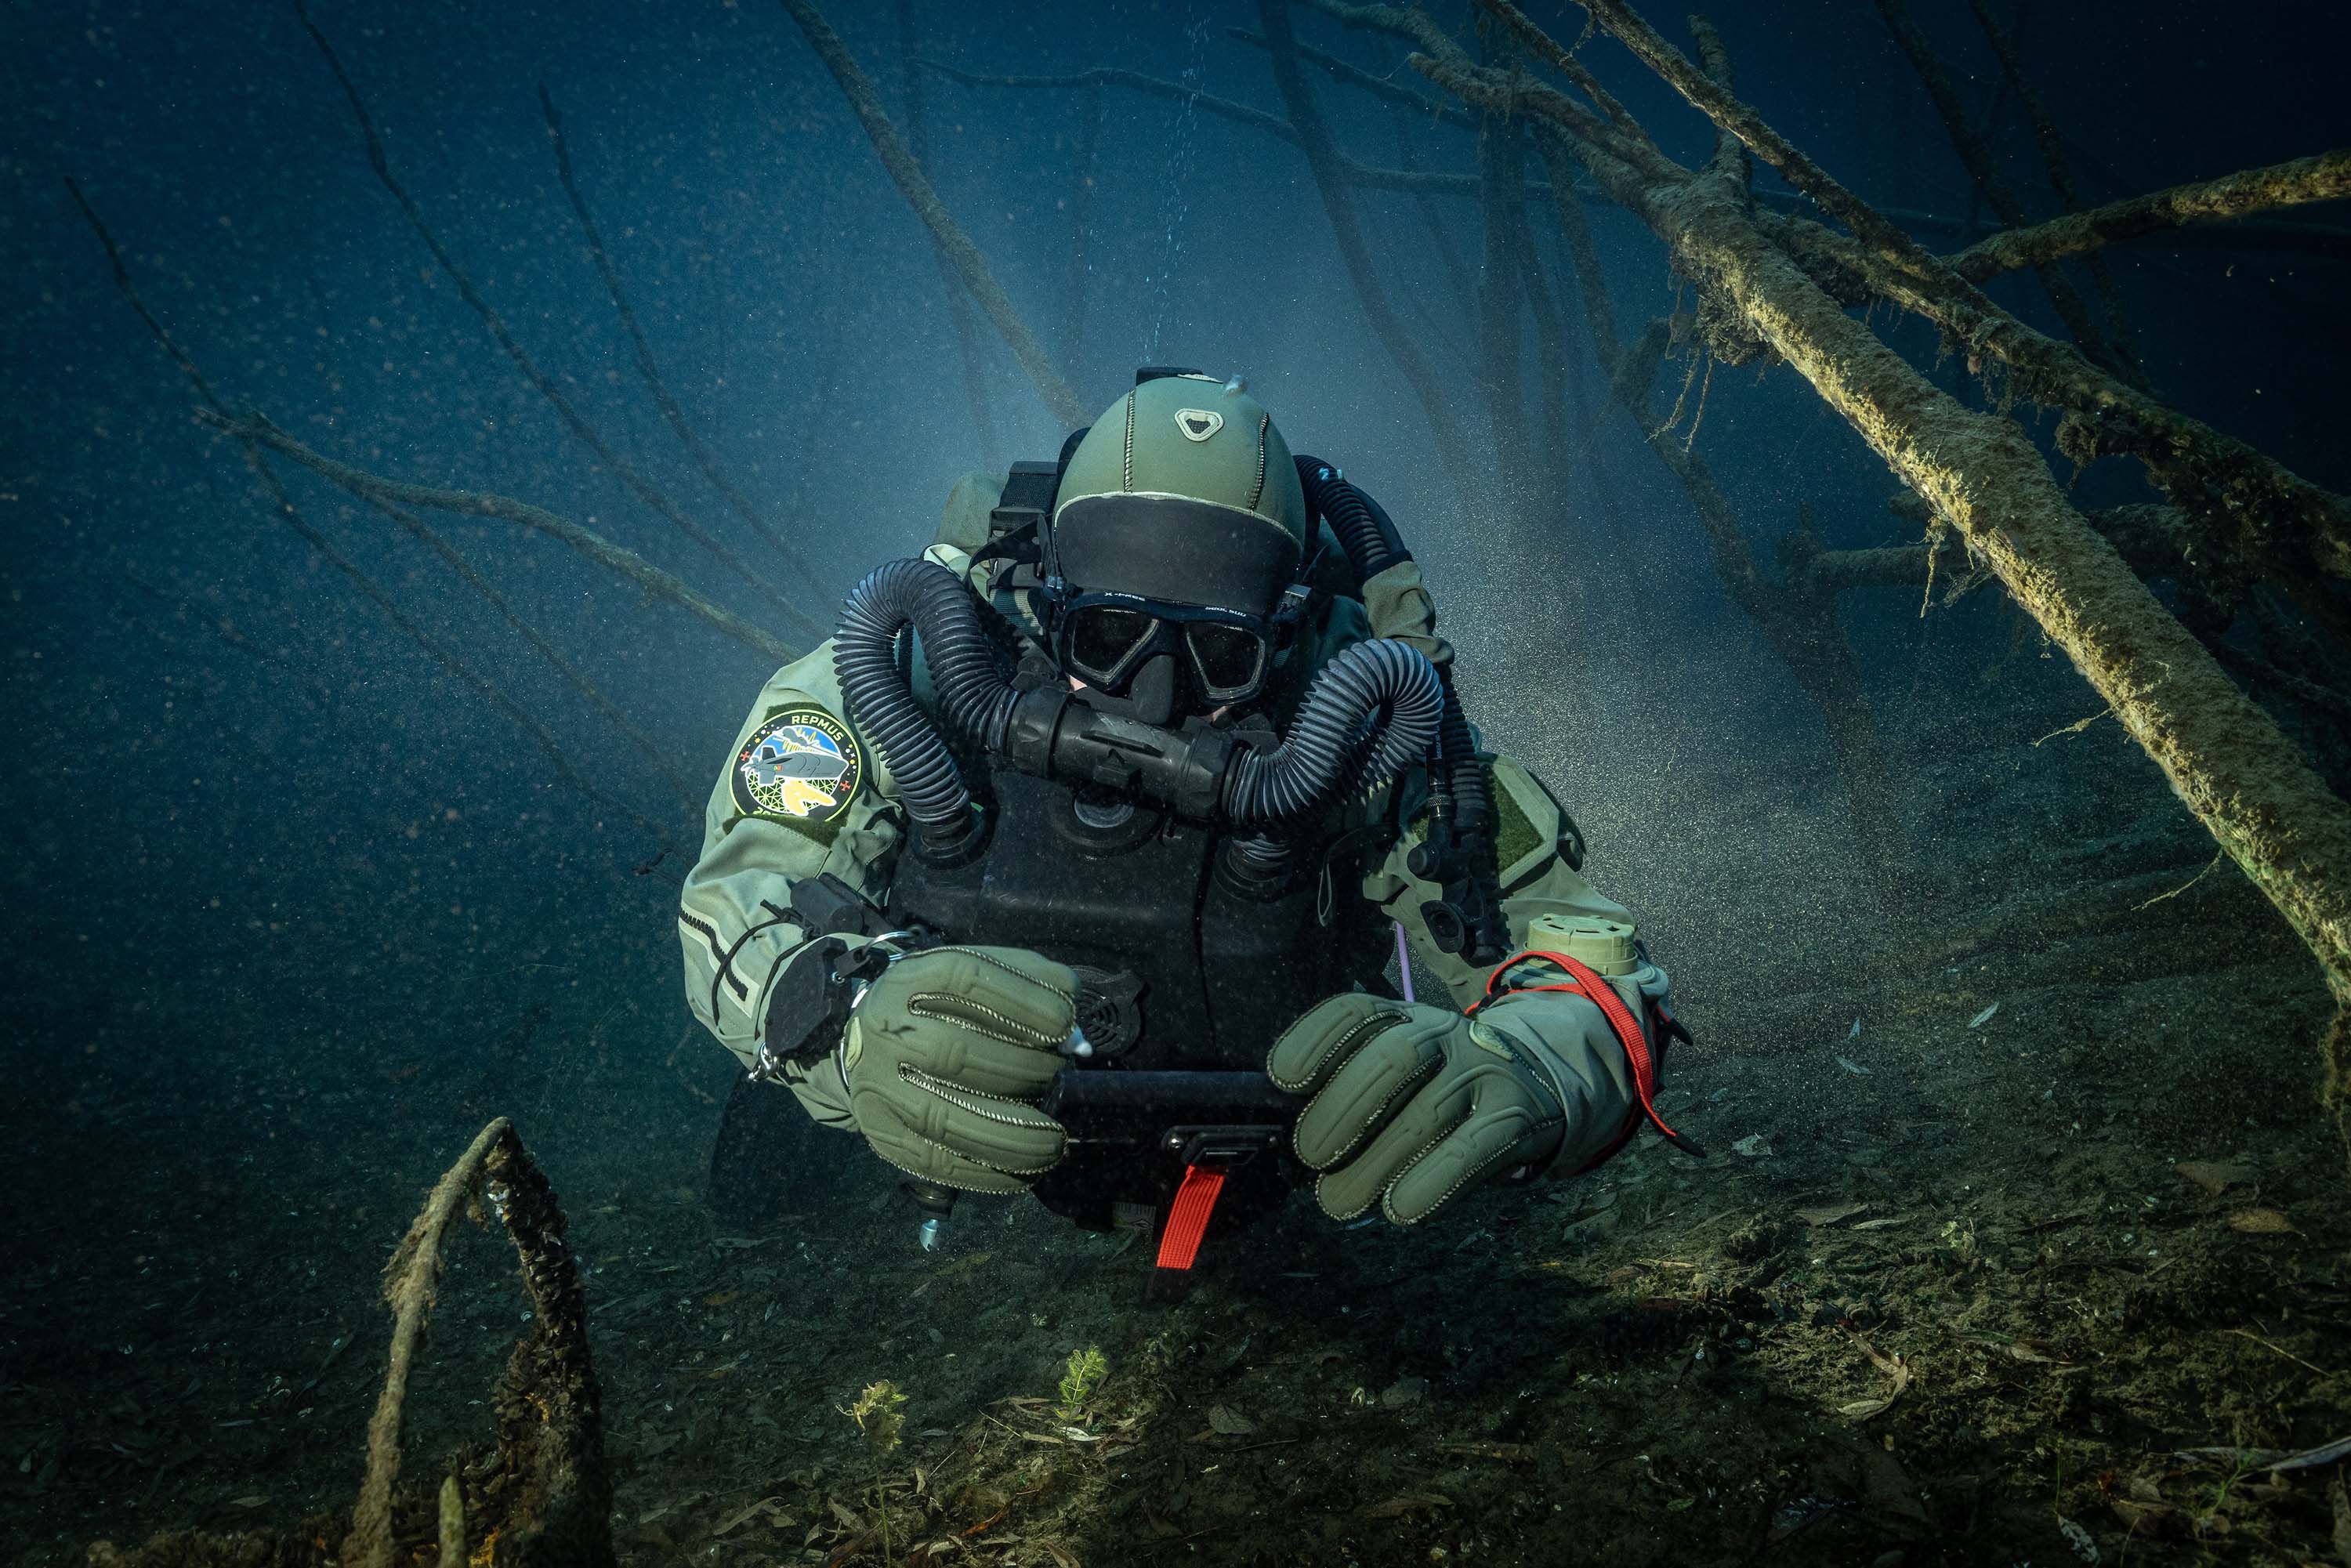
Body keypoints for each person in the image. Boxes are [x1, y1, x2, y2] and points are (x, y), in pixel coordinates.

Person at [679, 368, 1697, 1273]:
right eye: (1110, 634)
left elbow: (1588, 961)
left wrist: (1524, 1067)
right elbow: (741, 882)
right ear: (1045, 595)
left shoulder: (1352, 719)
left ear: (1285, 634)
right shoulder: (925, 665)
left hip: (1260, 1168)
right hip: (946, 1117)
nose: (1153, 697)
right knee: (763, 1187)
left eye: (1220, 657)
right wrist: (836, 1026)